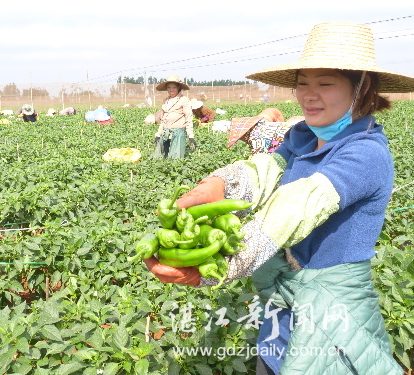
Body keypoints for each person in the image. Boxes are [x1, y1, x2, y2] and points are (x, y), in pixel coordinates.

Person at [143, 22, 413, 374]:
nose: (308, 95)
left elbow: (297, 207)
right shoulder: (303, 136)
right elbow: (269, 167)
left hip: (332, 315)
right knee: (272, 361)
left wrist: (219, 265)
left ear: (362, 89)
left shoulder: (365, 153)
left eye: (325, 84)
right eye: (302, 84)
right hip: (280, 310)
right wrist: (219, 184)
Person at [153, 74, 195, 158]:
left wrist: (191, 136)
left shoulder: (184, 100)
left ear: (178, 88)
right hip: (166, 134)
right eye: (169, 87)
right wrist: (158, 135)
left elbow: (188, 118)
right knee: (162, 157)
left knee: (175, 159)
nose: (171, 90)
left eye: (174, 87)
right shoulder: (166, 100)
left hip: (178, 134)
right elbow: (163, 120)